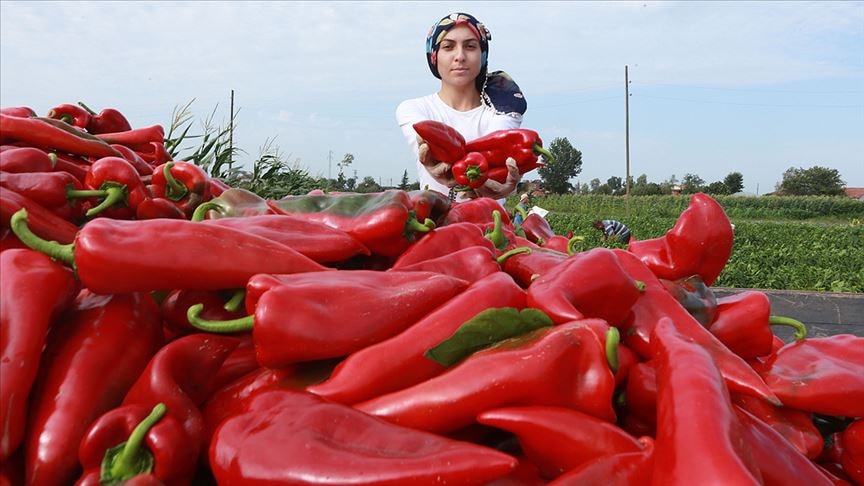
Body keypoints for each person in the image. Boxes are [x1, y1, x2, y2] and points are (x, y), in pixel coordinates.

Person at [396, 12, 527, 203]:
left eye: (470, 46)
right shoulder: (414, 109)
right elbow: (431, 154)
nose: (460, 56)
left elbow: (492, 160)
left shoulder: (504, 107)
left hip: (489, 228)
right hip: (435, 225)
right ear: (434, 56)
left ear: (482, 55)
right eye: (448, 47)